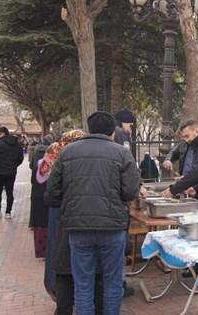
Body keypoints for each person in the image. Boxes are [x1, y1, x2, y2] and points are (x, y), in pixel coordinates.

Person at [46, 112, 140, 315]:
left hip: (78, 228)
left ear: (89, 128)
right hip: (112, 228)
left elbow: (52, 193)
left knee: (83, 282)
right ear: (111, 132)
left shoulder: (67, 152)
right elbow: (131, 190)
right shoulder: (122, 153)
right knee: (112, 281)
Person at [0, 126, 24, 219]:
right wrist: (13, 164)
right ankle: (8, 212)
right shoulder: (17, 144)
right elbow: (20, 158)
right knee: (9, 191)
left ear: (3, 133)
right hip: (11, 171)